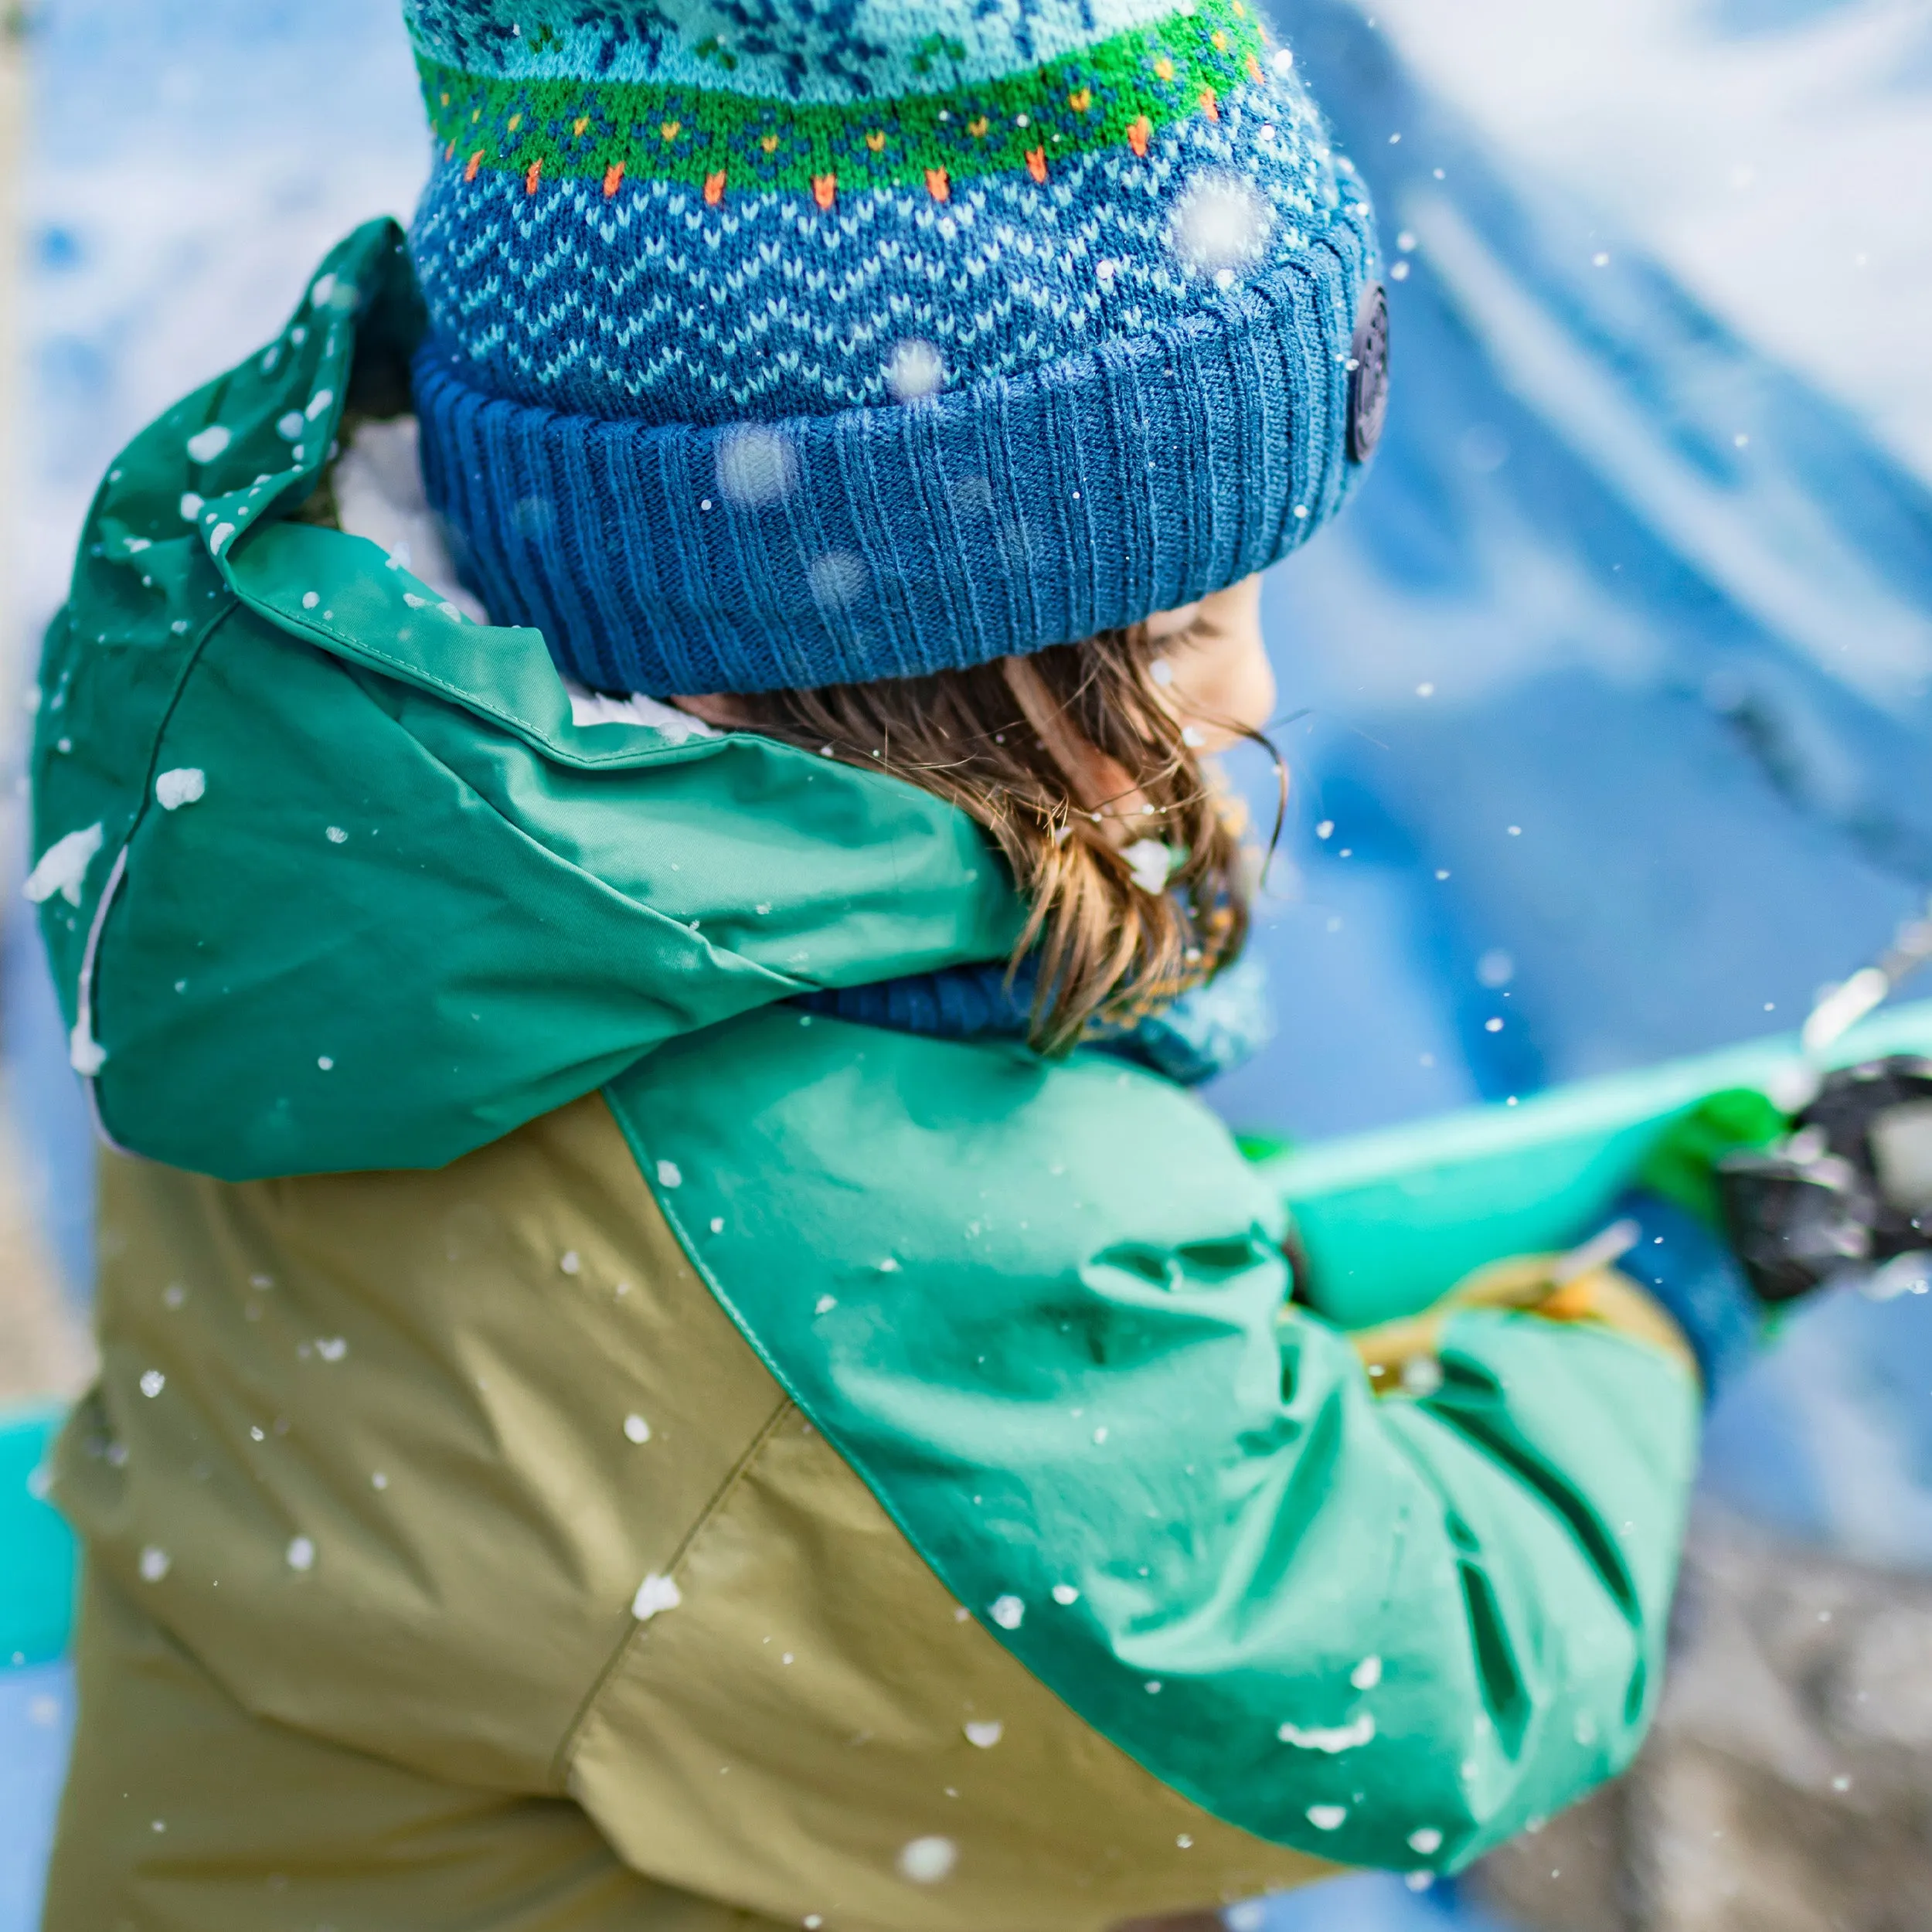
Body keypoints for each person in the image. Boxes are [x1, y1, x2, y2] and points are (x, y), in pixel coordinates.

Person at [26, 3, 1759, 1927]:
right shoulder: (887, 1239)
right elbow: (1411, 1694)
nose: (1253, 693)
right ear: (854, 650)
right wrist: (1654, 1303)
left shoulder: (348, 876)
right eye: (1178, 630)